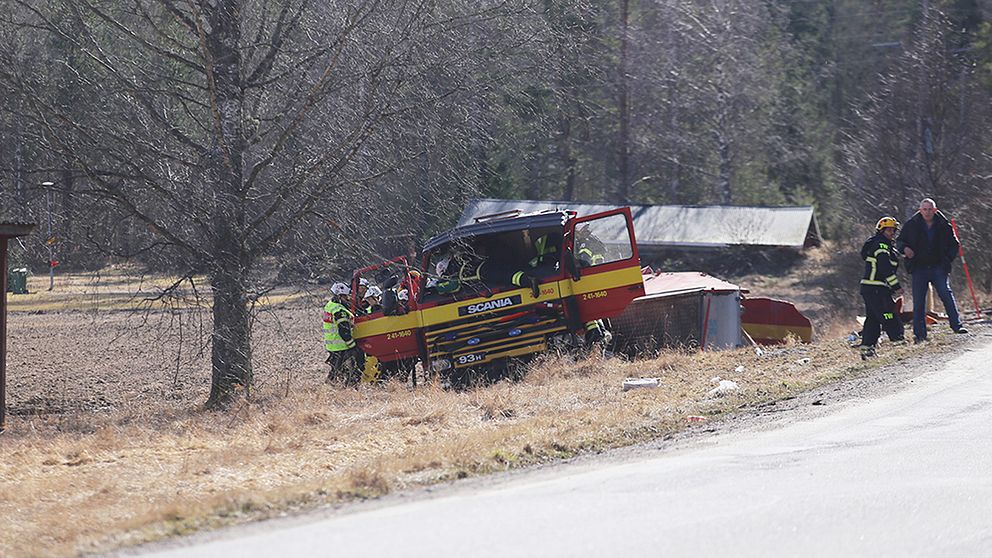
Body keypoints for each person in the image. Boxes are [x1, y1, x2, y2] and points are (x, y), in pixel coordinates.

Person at [896, 198, 968, 342]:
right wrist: (905, 249)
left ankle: (957, 325)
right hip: (919, 268)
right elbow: (899, 241)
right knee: (919, 301)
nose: (927, 212)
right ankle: (920, 334)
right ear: (920, 210)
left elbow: (954, 244)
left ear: (935, 210)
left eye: (930, 209)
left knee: (946, 294)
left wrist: (947, 259)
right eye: (925, 209)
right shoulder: (911, 225)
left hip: (938, 268)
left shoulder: (944, 225)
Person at [859, 217, 906, 358]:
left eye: (893, 230)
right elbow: (885, 268)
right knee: (888, 314)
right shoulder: (881, 246)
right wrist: (896, 286)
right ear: (882, 230)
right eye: (889, 230)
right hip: (876, 289)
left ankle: (867, 350)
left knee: (873, 319)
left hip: (871, 289)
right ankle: (898, 341)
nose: (892, 232)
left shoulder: (883, 245)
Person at [323, 282, 360, 383]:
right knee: (344, 371)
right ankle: (334, 389)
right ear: (339, 296)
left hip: (332, 345)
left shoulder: (330, 305)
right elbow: (344, 331)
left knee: (337, 370)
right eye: (346, 296)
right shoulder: (340, 311)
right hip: (341, 346)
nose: (348, 299)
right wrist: (352, 346)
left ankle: (331, 388)